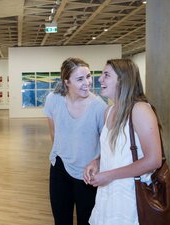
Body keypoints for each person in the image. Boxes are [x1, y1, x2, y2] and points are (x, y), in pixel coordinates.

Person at [84, 59, 162, 225]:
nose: (100, 79)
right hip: (109, 195)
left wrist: (108, 176)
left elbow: (154, 160)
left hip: (131, 197)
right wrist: (96, 162)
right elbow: (115, 152)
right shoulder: (109, 111)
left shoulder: (140, 110)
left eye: (106, 75)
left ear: (123, 80)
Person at [43, 57, 107, 225]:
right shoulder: (53, 99)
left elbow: (106, 143)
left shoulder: (99, 107)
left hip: (87, 174)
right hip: (59, 167)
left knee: (86, 221)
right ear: (66, 82)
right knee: (61, 220)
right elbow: (53, 132)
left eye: (88, 76)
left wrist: (96, 162)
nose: (87, 82)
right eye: (80, 79)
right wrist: (62, 152)